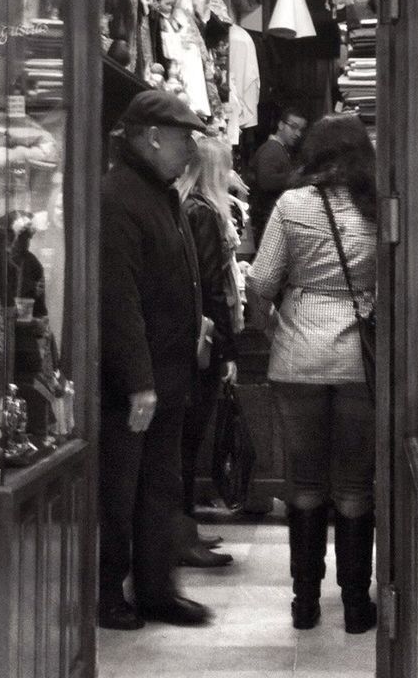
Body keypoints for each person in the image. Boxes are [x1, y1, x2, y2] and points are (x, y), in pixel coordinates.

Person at [246, 114, 377, 634]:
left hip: (298, 358)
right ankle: (355, 605)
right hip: (359, 366)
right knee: (353, 484)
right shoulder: (377, 209)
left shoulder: (292, 205)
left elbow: (259, 281)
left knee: (303, 484)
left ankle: (304, 603)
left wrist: (277, 322)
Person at [99, 89, 212, 630]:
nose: (191, 147)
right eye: (184, 136)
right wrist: (138, 381)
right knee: (120, 493)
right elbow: (118, 300)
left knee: (159, 490)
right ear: (151, 137)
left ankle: (156, 589)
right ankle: (108, 594)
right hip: (136, 384)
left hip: (169, 374)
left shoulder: (159, 192)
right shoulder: (117, 196)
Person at [176, 136, 243, 567]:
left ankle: (184, 531)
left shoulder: (189, 208)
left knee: (185, 442)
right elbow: (208, 285)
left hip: (193, 339)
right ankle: (181, 536)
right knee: (186, 441)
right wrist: (228, 349)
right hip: (203, 341)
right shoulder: (203, 213)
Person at [248, 107, 307, 244]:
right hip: (267, 220)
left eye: (301, 130)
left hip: (270, 219)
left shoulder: (279, 149)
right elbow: (266, 181)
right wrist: (299, 176)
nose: (297, 133)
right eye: (293, 127)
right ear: (281, 125)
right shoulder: (272, 149)